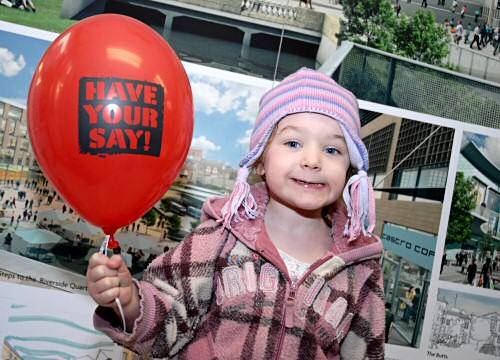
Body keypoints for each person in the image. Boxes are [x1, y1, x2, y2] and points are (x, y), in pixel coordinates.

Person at [86, 68, 385, 359]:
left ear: (349, 170)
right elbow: (167, 323)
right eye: (293, 143)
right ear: (259, 161)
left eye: (332, 150)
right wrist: (129, 304)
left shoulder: (360, 269)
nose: (312, 160)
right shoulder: (218, 237)